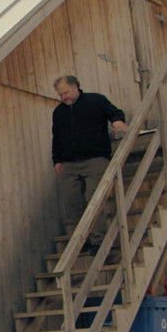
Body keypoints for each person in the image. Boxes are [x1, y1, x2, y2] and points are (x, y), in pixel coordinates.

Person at [51, 75, 129, 254]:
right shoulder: (59, 112)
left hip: (95, 158)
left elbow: (115, 112)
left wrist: (118, 121)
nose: (64, 97)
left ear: (76, 87)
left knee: (94, 197)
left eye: (66, 92)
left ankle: (98, 240)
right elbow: (57, 137)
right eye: (60, 94)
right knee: (71, 201)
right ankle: (83, 238)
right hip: (69, 163)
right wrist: (56, 160)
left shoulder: (95, 100)